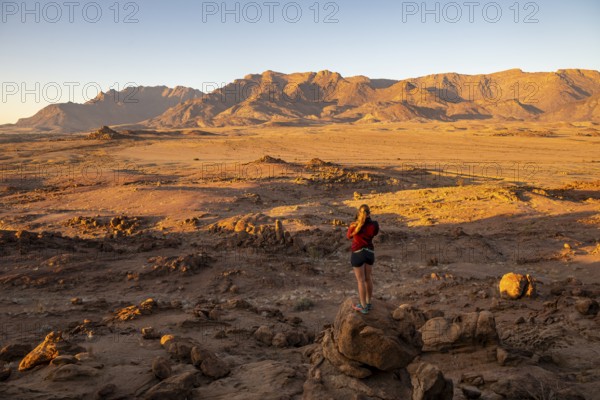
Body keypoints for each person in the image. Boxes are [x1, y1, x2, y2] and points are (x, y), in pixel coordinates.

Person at [347, 204, 379, 314]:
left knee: (360, 280)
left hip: (357, 254)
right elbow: (374, 233)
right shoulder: (374, 225)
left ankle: (363, 306)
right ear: (369, 213)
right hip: (369, 253)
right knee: (368, 278)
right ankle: (368, 302)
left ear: (359, 213)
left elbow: (349, 236)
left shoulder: (354, 225)